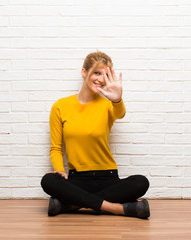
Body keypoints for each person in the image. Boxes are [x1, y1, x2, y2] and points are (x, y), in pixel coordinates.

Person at [40, 51, 150, 219]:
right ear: (84, 72)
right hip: (77, 179)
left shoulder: (108, 104)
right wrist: (59, 170)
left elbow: (120, 114)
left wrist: (117, 99)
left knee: (141, 182)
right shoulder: (60, 106)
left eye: (105, 75)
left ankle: (71, 205)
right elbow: (56, 148)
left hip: (108, 178)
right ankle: (118, 209)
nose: (100, 79)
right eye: (97, 73)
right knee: (48, 181)